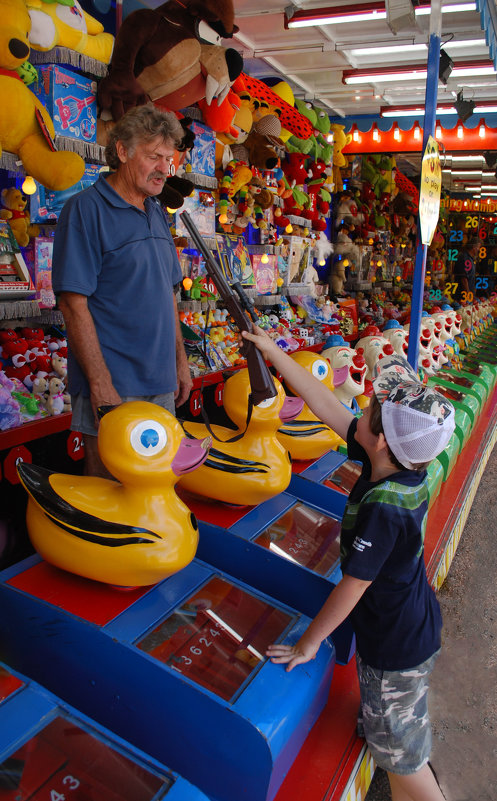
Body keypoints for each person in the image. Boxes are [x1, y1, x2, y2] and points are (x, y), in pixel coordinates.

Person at [242, 326, 455, 801]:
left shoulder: (384, 505)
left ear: (379, 439)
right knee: (396, 730)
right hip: (413, 623)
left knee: (402, 762)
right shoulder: (397, 461)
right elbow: (323, 401)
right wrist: (273, 350)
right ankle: (389, 726)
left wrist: (308, 644)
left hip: (394, 646)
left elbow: (354, 585)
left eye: (370, 410)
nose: (359, 407)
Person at [52, 105, 193, 477]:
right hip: (115, 386)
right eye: (153, 157)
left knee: (156, 492)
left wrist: (180, 361)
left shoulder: (156, 212)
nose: (164, 168)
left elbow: (167, 296)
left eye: (168, 158)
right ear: (122, 152)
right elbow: (72, 304)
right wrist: (100, 384)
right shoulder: (85, 210)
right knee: (110, 498)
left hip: (161, 384)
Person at [453, 239, 479, 303]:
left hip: (467, 296)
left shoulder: (470, 259)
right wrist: (468, 295)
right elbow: (464, 278)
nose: (479, 250)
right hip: (463, 297)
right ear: (474, 247)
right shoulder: (465, 258)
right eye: (478, 247)